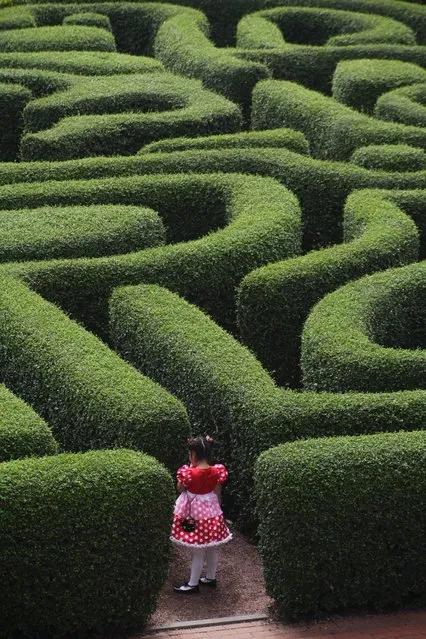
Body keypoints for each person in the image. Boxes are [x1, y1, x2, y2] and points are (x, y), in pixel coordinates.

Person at [171, 435, 232, 593]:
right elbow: (217, 492)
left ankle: (193, 584)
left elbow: (180, 489)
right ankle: (210, 577)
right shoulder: (217, 471)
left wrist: (186, 472)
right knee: (212, 546)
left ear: (194, 455)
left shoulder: (189, 473)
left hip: (194, 514)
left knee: (197, 548)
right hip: (212, 512)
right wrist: (218, 510)